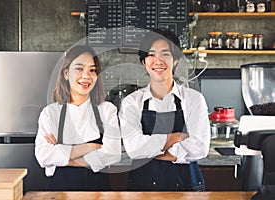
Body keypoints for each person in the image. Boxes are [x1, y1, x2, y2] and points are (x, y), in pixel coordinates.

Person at [119, 29, 210, 191]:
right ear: (144, 62)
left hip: (187, 189)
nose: (158, 60)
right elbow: (134, 149)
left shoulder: (194, 99)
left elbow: (200, 147)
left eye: (165, 54)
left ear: (175, 60)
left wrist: (152, 149)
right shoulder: (131, 103)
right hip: (143, 190)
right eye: (151, 54)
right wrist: (175, 137)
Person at [35, 45, 121, 191]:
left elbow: (113, 154)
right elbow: (44, 156)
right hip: (60, 191)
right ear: (66, 74)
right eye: (79, 69)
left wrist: (62, 154)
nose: (86, 75)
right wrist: (91, 147)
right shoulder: (50, 113)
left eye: (92, 70)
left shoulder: (107, 110)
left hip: (97, 192)